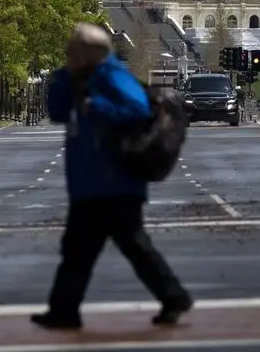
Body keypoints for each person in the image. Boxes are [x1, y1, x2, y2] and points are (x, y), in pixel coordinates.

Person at [31, 23, 192, 331]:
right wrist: (65, 76)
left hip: (117, 180)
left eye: (72, 51)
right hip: (89, 182)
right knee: (79, 249)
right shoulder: (81, 80)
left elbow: (137, 109)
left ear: (89, 53)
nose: (67, 54)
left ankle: (173, 296)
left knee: (129, 246)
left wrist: (97, 105)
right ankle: (64, 311)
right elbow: (57, 111)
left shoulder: (111, 76)